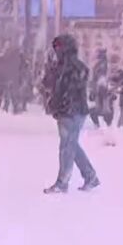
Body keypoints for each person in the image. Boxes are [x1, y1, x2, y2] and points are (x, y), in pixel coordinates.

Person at [43, 34, 100, 194]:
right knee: (71, 145)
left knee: (67, 147)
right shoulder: (60, 66)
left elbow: (70, 88)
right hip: (65, 111)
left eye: (59, 47)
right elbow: (48, 84)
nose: (57, 51)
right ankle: (90, 176)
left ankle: (63, 182)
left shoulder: (74, 67)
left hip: (72, 111)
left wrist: (62, 100)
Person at [88, 48, 114, 128]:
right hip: (101, 86)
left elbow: (100, 75)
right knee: (104, 106)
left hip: (101, 85)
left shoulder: (101, 64)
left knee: (103, 106)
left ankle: (103, 124)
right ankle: (105, 123)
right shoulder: (102, 63)